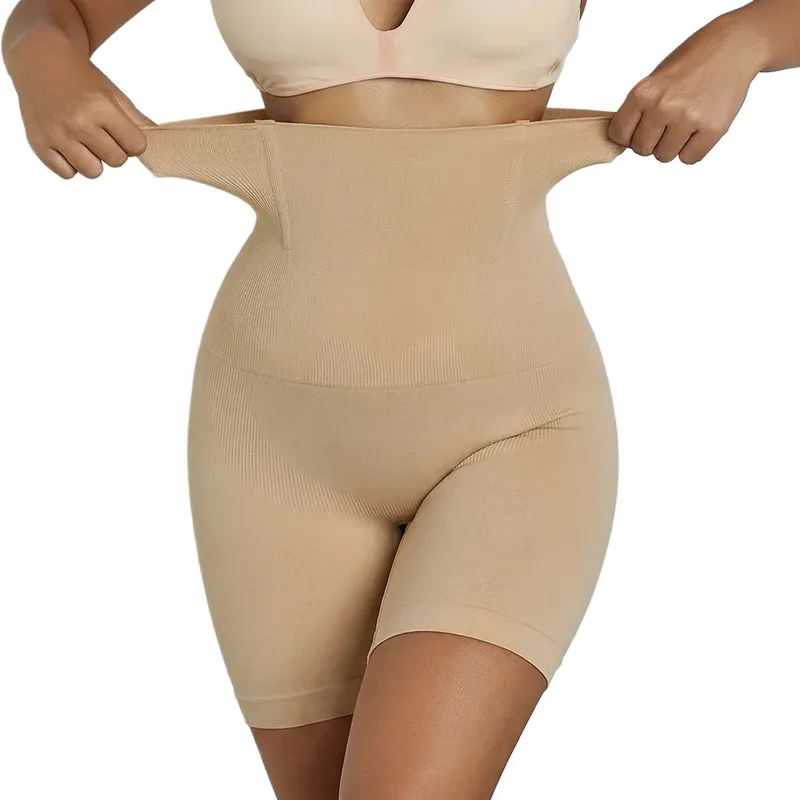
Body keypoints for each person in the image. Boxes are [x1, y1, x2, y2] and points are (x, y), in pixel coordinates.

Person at [3, 2, 798, 798]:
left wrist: (747, 36)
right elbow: (55, 13)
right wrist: (39, 59)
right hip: (273, 442)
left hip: (516, 429)